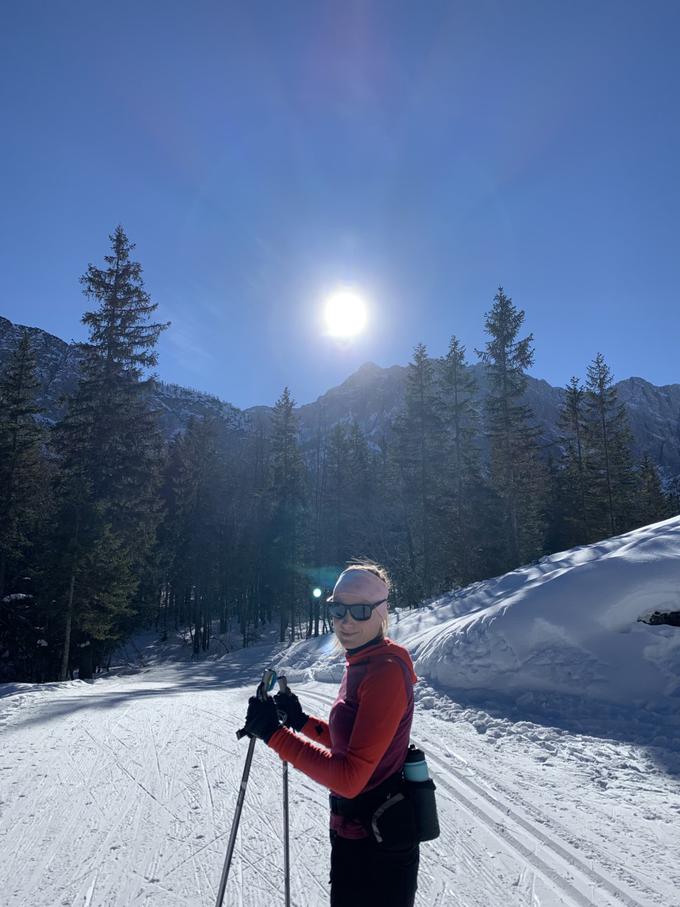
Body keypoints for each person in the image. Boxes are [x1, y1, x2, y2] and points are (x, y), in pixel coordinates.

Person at [242, 562, 420, 907]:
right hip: (358, 831)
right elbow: (353, 742)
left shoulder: (383, 672)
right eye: (338, 609)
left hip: (377, 847)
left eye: (360, 611)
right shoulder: (362, 660)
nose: (346, 621)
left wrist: (273, 734)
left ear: (381, 614)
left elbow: (350, 778)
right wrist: (300, 722)